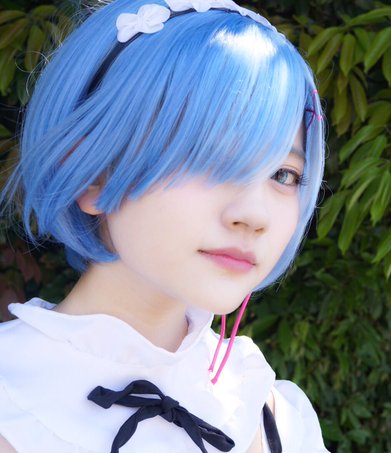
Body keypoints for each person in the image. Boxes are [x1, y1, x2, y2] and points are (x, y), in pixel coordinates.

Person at [0, 0, 328, 451]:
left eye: (284, 175)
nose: (254, 215)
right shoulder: (13, 401)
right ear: (93, 176)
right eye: (210, 159)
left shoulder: (270, 412)